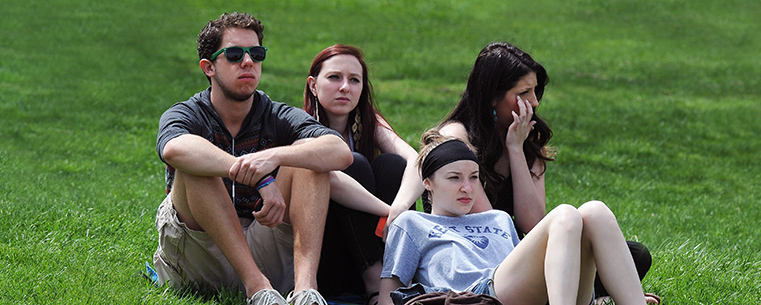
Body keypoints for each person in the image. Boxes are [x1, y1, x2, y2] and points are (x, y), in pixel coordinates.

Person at [390, 41, 658, 303]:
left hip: (515, 253)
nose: (534, 102)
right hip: (487, 265)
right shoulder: (457, 138)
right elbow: (485, 218)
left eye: (535, 91)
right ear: (493, 97)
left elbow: (531, 221)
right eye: (523, 93)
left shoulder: (527, 139)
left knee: (598, 215)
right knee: (566, 217)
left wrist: (516, 150)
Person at [152, 12, 353, 305]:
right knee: (194, 167)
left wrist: (272, 157)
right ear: (208, 67)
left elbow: (339, 151)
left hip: (263, 244)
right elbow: (174, 150)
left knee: (310, 160)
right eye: (234, 54)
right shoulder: (187, 113)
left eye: (256, 54)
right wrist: (257, 174)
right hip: (198, 254)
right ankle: (256, 287)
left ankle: (306, 293)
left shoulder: (275, 113)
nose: (247, 62)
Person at [379, 132, 649, 305]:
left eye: (474, 178)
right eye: (454, 178)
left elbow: (536, 271)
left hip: (528, 294)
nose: (467, 188)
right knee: (565, 215)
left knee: (595, 210)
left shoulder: (498, 219)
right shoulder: (412, 223)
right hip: (476, 296)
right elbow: (388, 294)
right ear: (427, 183)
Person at [302, 45, 425, 304]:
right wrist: (387, 211)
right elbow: (334, 181)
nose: (345, 87)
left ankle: (396, 277)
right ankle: (375, 282)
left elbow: (416, 161)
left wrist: (400, 207)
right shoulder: (300, 127)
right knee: (352, 164)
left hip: (379, 247)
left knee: (392, 165)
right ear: (313, 85)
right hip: (330, 259)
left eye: (354, 80)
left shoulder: (370, 122)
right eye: (335, 77)